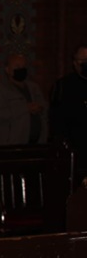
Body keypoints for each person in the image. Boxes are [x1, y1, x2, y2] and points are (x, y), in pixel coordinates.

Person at [0, 53, 48, 145]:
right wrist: (25, 108)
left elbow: (44, 106)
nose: (21, 69)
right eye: (17, 66)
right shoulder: (0, 91)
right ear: (7, 70)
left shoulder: (34, 88)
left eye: (23, 66)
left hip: (38, 143)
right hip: (13, 144)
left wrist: (39, 107)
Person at [50, 43, 87, 182]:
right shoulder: (63, 86)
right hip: (75, 152)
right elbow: (56, 122)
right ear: (75, 62)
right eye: (82, 60)